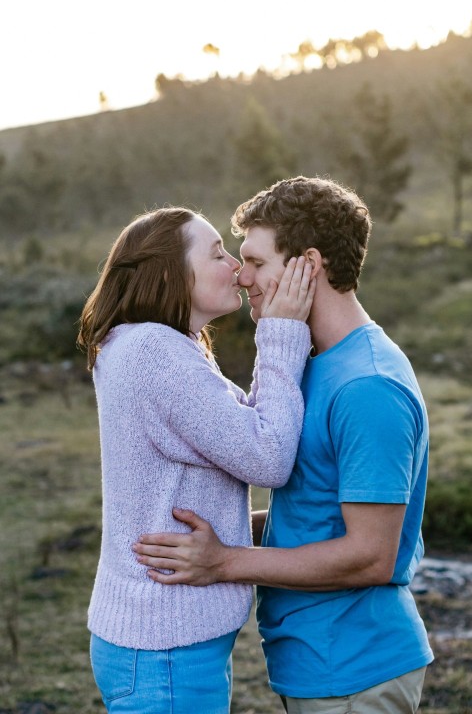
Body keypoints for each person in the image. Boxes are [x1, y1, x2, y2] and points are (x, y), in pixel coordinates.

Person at [133, 178, 435, 714]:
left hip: (354, 670)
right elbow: (317, 508)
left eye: (255, 261)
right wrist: (220, 526)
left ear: (307, 265)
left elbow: (370, 555)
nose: (240, 276)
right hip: (316, 665)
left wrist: (225, 562)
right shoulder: (316, 362)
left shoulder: (367, 387)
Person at [76, 205, 316, 714]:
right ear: (170, 271)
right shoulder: (154, 354)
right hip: (165, 648)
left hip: (163, 640)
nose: (235, 266)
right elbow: (268, 455)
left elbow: (237, 430)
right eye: (216, 253)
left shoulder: (156, 345)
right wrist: (281, 331)